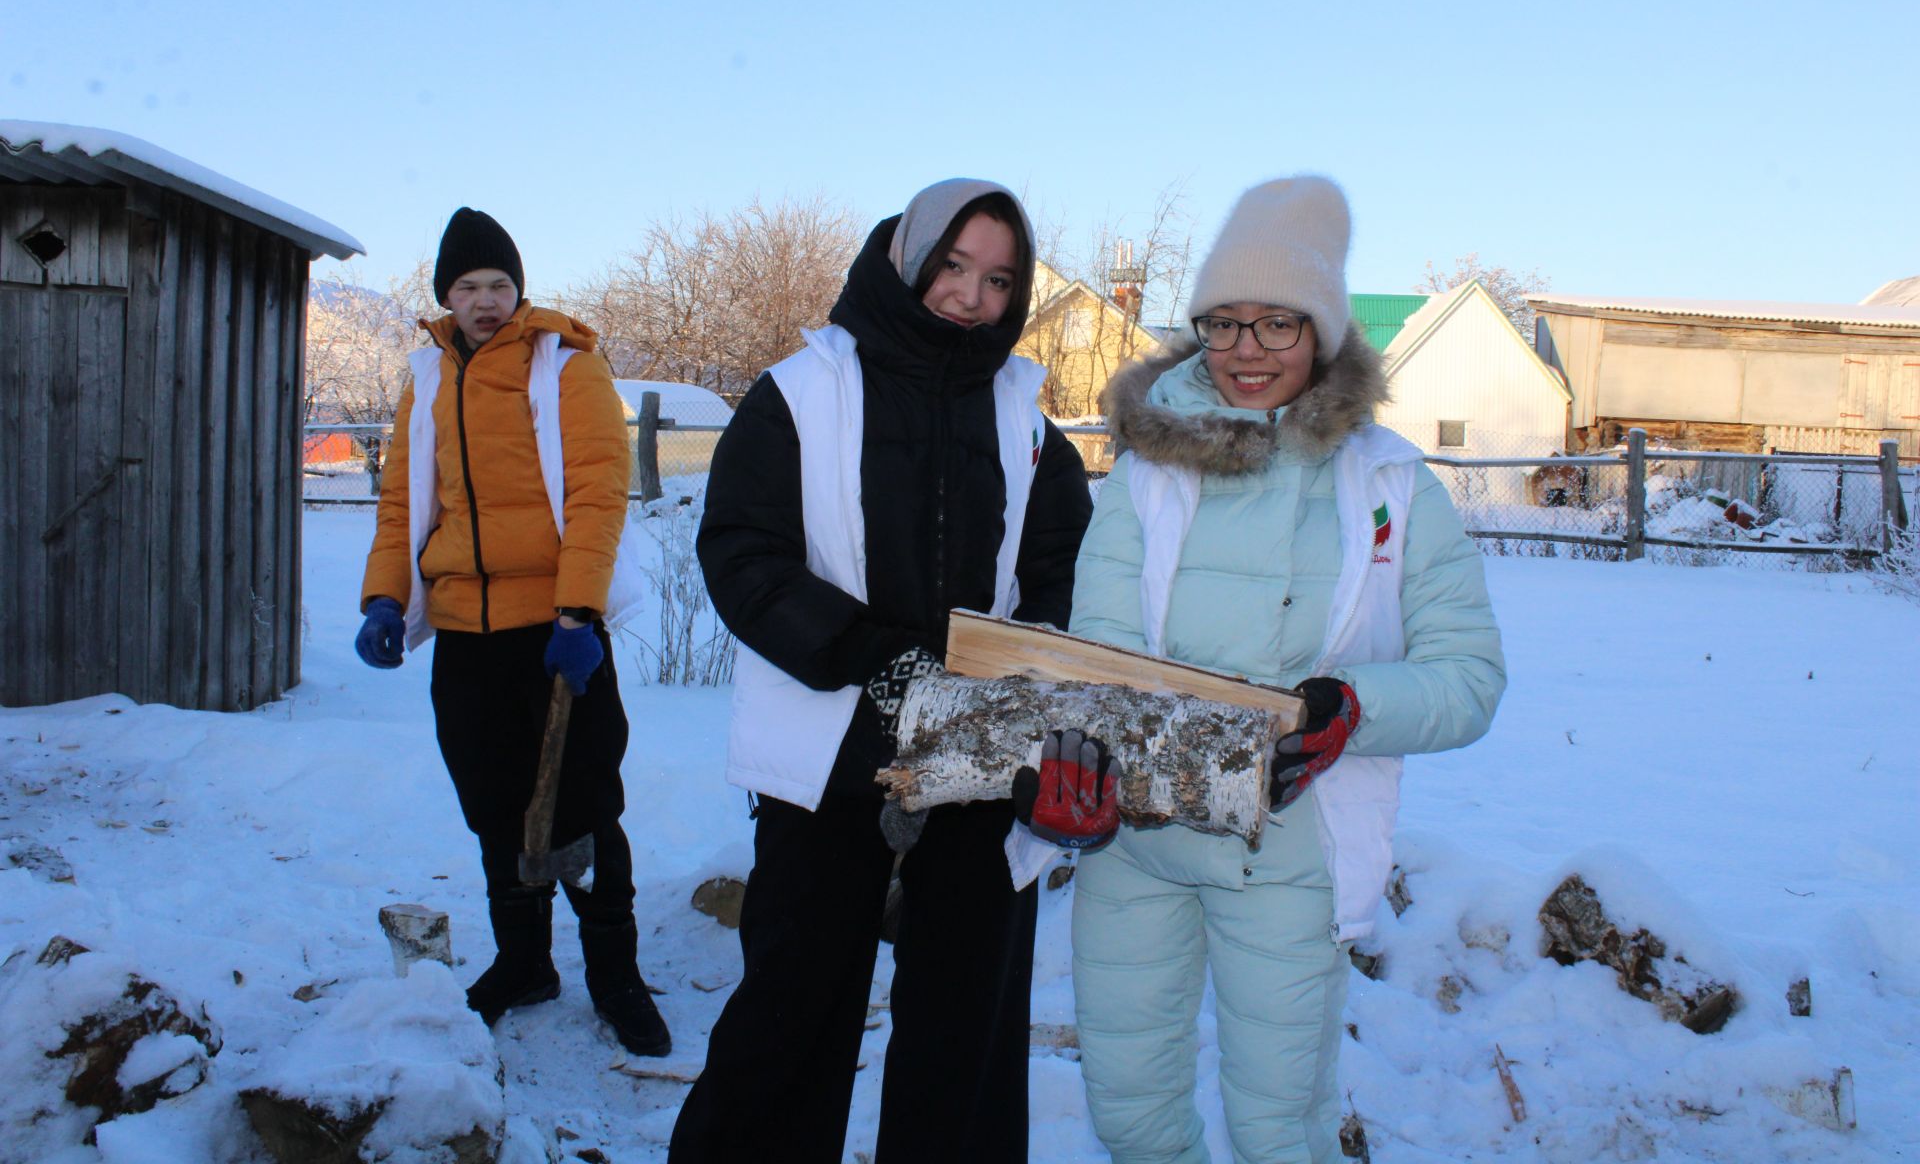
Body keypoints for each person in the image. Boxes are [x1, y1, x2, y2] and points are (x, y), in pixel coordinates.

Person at [1065, 177, 1506, 1163]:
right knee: (1130, 1112)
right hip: (1138, 847)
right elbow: (1095, 656)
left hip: (1289, 854)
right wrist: (1072, 766)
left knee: (1279, 1126)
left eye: (1276, 323)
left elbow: (1471, 674)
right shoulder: (1144, 474)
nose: (1246, 352)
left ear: (1323, 331)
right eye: (1223, 324)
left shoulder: (1390, 481)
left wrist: (1354, 704)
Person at [669, 180, 1094, 1163]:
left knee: (966, 1027)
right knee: (792, 1007)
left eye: (997, 279)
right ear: (907, 257)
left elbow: (1066, 571)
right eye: (952, 265)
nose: (970, 295)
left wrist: (1026, 665)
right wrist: (875, 659)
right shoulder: (802, 392)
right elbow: (743, 551)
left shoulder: (1026, 421)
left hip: (981, 748)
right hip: (832, 745)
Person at [355, 207, 670, 1057]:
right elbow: (403, 505)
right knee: (494, 801)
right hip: (465, 630)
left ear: (519, 288)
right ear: (445, 297)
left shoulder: (566, 367)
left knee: (586, 805)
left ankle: (617, 977)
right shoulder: (426, 379)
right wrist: (385, 598)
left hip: (556, 630)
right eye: (468, 287)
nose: (486, 300)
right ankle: (525, 963)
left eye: (499, 284)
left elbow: (601, 494)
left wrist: (579, 612)